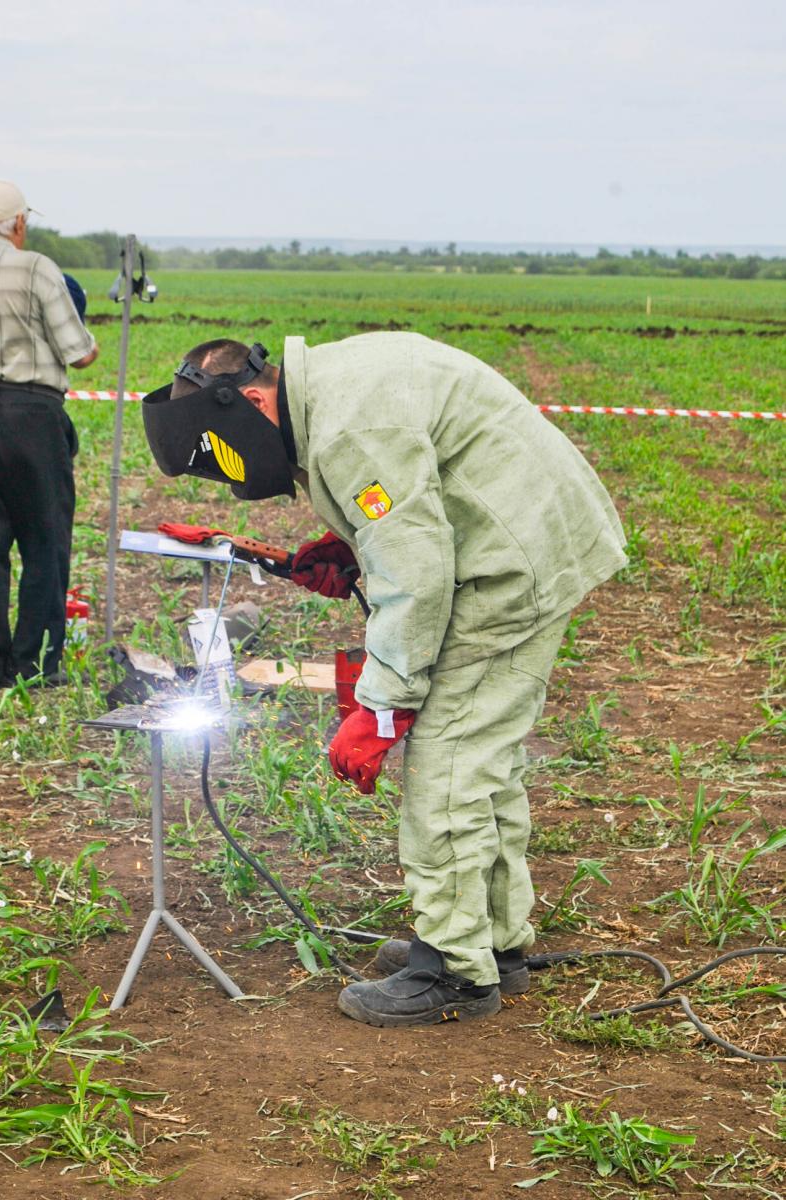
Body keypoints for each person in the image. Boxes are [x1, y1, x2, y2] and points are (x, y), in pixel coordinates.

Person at [142, 332, 627, 1027]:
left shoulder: (348, 427)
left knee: (449, 757)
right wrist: (352, 544)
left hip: (510, 563)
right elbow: (407, 506)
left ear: (251, 400)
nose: (231, 469)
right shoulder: (331, 389)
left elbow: (419, 573)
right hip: (523, 536)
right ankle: (492, 941)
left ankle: (458, 972)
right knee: (478, 752)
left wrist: (380, 708)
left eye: (224, 451)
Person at [0, 181, 98, 689]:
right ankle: (34, 667)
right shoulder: (35, 268)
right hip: (30, 414)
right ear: (18, 224)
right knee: (44, 540)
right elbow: (80, 352)